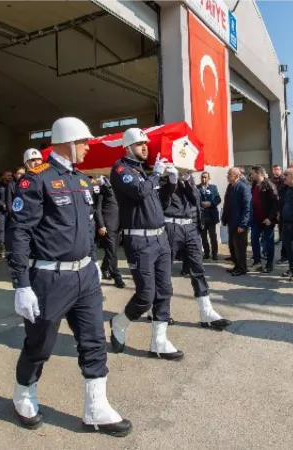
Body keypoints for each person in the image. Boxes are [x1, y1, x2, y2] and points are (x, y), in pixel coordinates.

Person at [8, 117, 131, 435]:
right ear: (69, 142)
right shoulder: (37, 179)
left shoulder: (82, 180)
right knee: (40, 345)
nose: (89, 147)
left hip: (85, 278)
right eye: (85, 142)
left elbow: (87, 227)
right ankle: (24, 392)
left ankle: (96, 408)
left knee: (94, 341)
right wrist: (21, 285)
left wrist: (91, 263)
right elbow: (19, 232)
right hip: (49, 279)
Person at [108, 127, 184, 360]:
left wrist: (171, 181)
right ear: (128, 146)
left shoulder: (143, 170)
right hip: (139, 240)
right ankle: (119, 323)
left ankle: (159, 341)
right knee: (146, 295)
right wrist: (155, 174)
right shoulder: (121, 169)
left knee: (165, 290)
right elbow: (141, 191)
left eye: (145, 143)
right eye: (140, 143)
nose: (145, 146)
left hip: (160, 238)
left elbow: (158, 199)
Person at [160, 167, 231, 330]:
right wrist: (171, 180)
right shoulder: (162, 177)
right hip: (171, 226)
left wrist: (186, 182)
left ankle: (206, 312)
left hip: (189, 227)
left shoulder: (188, 180)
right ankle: (160, 310)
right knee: (164, 271)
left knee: (197, 269)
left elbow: (195, 200)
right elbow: (163, 201)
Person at [95, 174, 125, 288]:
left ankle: (104, 268)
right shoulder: (102, 191)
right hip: (108, 225)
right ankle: (117, 277)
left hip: (118, 225)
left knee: (112, 251)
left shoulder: (119, 190)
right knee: (112, 253)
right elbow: (97, 209)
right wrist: (101, 225)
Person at [221, 166, 252, 276]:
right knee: (233, 246)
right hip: (232, 222)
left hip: (240, 224)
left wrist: (243, 224)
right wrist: (224, 218)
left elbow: (247, 207)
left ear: (236, 176)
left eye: (229, 174)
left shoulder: (243, 187)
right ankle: (237, 266)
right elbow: (227, 205)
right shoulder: (231, 186)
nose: (227, 176)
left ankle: (242, 268)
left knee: (240, 247)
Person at [249, 166, 279, 273]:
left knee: (268, 242)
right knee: (254, 240)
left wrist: (270, 218)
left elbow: (275, 204)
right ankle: (257, 262)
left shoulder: (269, 185)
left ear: (259, 174)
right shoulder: (253, 185)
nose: (251, 175)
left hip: (267, 220)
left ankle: (269, 264)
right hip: (256, 219)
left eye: (253, 173)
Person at [197, 172, 221, 260]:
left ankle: (214, 253)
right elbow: (194, 199)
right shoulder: (197, 188)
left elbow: (218, 199)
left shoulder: (213, 188)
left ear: (209, 178)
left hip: (211, 216)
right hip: (202, 216)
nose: (204, 179)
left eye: (205, 177)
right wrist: (201, 203)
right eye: (202, 177)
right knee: (203, 236)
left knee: (213, 236)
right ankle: (206, 253)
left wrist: (211, 203)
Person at [0, 170, 14, 259]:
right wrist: (3, 205)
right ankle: (1, 249)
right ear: (3, 176)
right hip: (1, 211)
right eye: (8, 175)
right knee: (1, 230)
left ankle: (9, 249)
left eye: (11, 175)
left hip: (11, 212)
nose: (10, 177)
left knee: (10, 230)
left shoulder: (13, 185)